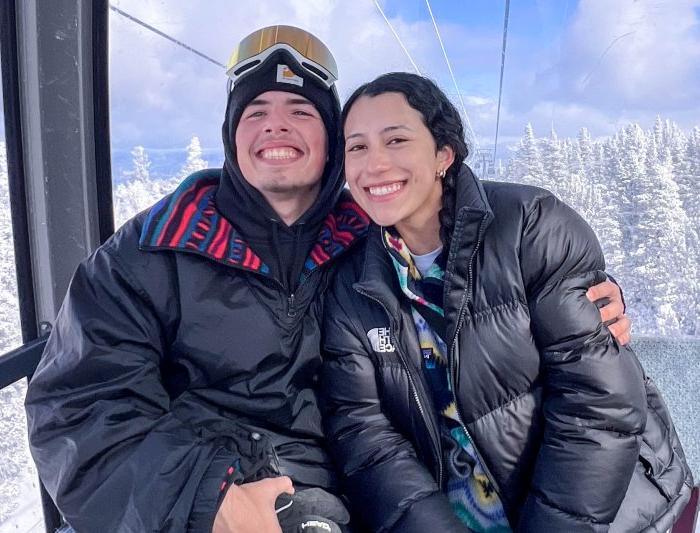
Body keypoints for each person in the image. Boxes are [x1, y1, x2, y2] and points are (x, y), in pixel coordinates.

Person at [24, 27, 629, 532]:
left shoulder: (369, 244)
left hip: (339, 500)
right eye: (255, 111)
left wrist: (584, 308)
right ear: (233, 137)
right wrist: (206, 499)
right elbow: (79, 407)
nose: (275, 126)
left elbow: (473, 310)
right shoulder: (154, 250)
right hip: (190, 494)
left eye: (300, 112)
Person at [320, 72, 693, 533]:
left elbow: (598, 403)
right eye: (356, 147)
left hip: (610, 510)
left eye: (395, 140)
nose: (373, 164)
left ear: (443, 153)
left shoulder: (530, 227)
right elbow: (366, 432)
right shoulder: (353, 282)